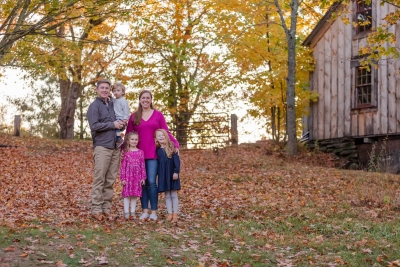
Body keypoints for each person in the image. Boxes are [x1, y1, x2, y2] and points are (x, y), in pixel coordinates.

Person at [125, 90, 179, 221]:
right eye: (143, 98)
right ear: (139, 100)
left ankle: (153, 211)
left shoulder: (158, 115)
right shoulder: (134, 116)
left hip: (153, 154)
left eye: (147, 98)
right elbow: (128, 135)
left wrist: (175, 143)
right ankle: (144, 210)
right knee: (142, 183)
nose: (145, 100)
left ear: (151, 100)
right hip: (137, 155)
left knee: (151, 182)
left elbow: (166, 131)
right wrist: (123, 150)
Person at [86, 79, 125, 221]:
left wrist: (121, 124)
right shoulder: (94, 106)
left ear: (110, 90)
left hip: (115, 146)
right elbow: (94, 126)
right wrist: (112, 124)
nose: (104, 90)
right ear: (97, 89)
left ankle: (106, 208)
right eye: (102, 88)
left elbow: (118, 124)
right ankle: (96, 209)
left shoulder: (114, 104)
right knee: (100, 178)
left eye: (107, 88)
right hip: (102, 146)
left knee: (110, 179)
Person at [155, 129, 181, 223]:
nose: (161, 137)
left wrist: (176, 172)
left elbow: (177, 161)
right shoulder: (157, 150)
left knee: (173, 194)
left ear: (166, 136)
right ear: (156, 139)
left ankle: (175, 214)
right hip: (163, 175)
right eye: (159, 136)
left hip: (172, 174)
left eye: (163, 135)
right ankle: (169, 213)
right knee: (167, 195)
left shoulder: (172, 147)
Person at [120, 132, 146, 220]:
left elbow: (142, 165)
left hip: (137, 177)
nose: (134, 141)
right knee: (127, 195)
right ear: (128, 140)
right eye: (132, 139)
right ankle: (126, 212)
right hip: (128, 176)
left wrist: (143, 177)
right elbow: (123, 166)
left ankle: (133, 212)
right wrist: (122, 178)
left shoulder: (140, 152)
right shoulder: (126, 152)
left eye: (136, 139)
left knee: (134, 195)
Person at [112, 83, 130, 148]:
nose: (116, 92)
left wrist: (125, 119)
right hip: (115, 117)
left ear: (123, 92)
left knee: (117, 127)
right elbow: (111, 100)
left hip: (121, 118)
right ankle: (116, 138)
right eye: (114, 91)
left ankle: (119, 138)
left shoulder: (123, 101)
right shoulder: (114, 100)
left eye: (118, 90)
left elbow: (126, 110)